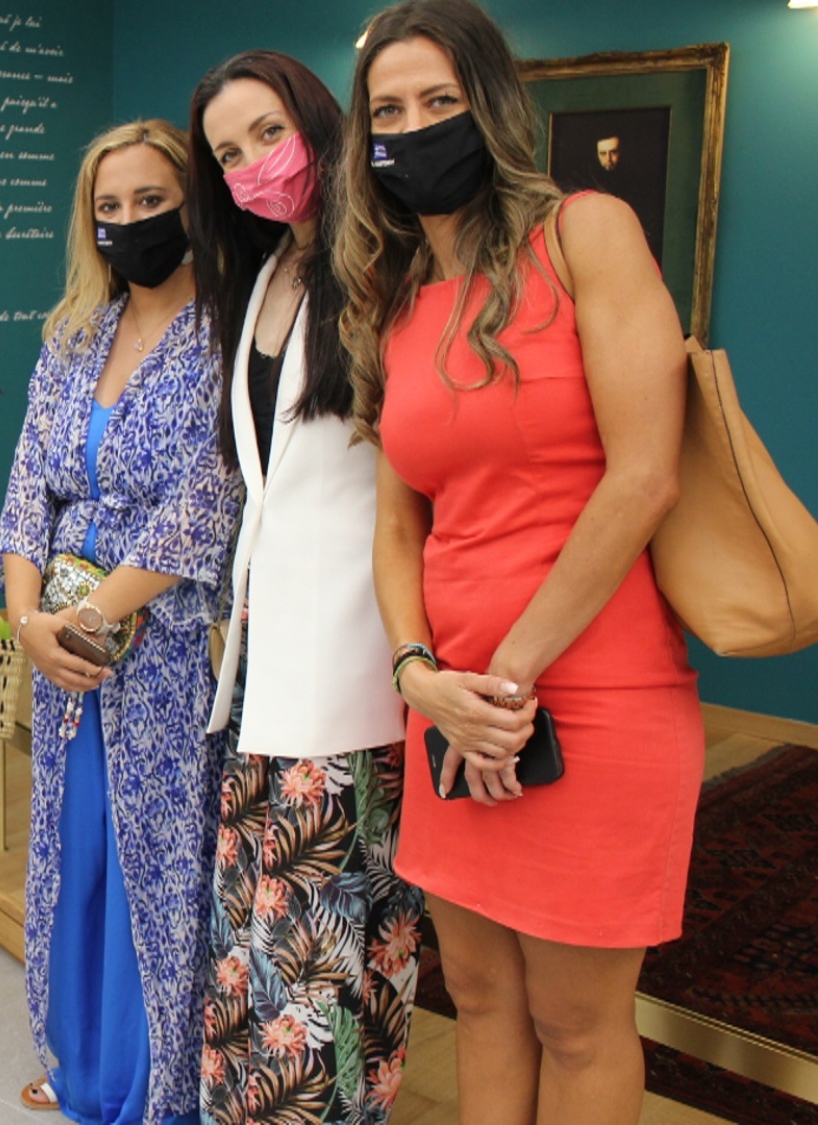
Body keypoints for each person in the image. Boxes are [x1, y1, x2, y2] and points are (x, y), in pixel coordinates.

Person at [338, 2, 701, 1121]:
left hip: (585, 690)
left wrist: (503, 682)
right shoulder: (392, 300)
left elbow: (643, 476)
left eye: (438, 101)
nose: (412, 128)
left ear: (491, 106)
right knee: (484, 999)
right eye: (387, 111)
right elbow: (397, 526)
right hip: (451, 699)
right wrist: (418, 675)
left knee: (577, 1024)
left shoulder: (585, 233)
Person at [0, 119, 240, 1125]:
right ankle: (80, 1064)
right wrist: (26, 621)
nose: (129, 222)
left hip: (164, 647)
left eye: (150, 202)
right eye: (109, 207)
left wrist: (91, 616)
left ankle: (152, 1085)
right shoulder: (73, 335)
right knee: (74, 846)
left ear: (192, 206)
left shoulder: (226, 335)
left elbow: (205, 500)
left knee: (156, 859)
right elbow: (26, 485)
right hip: (60, 643)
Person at [189, 52, 422, 1122]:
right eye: (228, 154)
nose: (253, 165)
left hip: (354, 651)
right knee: (250, 934)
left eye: (268, 135)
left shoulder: (388, 265)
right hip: (264, 656)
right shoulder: (264, 273)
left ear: (320, 126)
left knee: (328, 947)